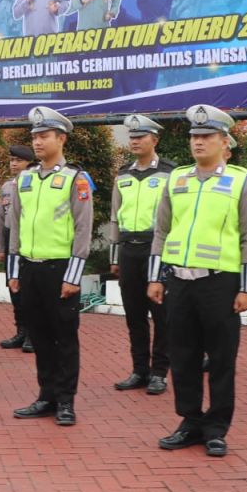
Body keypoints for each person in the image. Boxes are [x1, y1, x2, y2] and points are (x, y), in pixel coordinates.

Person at [150, 105, 247, 458]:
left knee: (221, 358)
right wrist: (156, 277)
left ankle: (216, 427)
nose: (198, 143)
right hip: (180, 282)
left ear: (224, 143)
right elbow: (162, 231)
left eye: (206, 136)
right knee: (182, 356)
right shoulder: (177, 179)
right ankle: (190, 421)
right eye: (194, 137)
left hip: (220, 283)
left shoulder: (241, 181)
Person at [8, 107, 93, 425]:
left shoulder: (75, 178)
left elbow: (83, 229)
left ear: (61, 138)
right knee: (40, 336)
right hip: (29, 269)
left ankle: (66, 401)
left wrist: (73, 276)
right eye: (34, 136)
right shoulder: (25, 178)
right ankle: (46, 396)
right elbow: (15, 225)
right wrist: (15, 271)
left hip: (60, 270)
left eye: (44, 136)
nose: (38, 142)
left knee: (64, 338)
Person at [109, 114, 175, 394]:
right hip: (128, 249)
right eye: (132, 137)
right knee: (134, 314)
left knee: (161, 314)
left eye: (141, 137)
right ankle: (139, 370)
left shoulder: (170, 173)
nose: (134, 141)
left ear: (155, 140)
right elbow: (114, 216)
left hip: (156, 249)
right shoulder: (123, 174)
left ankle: (160, 372)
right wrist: (114, 256)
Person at [0, 145, 35, 352]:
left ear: (28, 162)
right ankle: (20, 331)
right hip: (10, 238)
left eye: (18, 161)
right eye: (11, 160)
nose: (13, 164)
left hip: (28, 239)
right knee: (14, 288)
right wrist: (0, 246)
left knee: (28, 289)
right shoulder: (7, 187)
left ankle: (32, 334)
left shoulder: (34, 183)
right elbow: (2, 219)